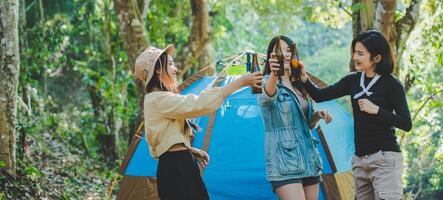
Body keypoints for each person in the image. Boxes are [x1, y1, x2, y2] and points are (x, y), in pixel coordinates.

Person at [134, 44, 263, 200]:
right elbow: (198, 104)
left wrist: (191, 150)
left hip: (181, 161)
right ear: (158, 70)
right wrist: (239, 82)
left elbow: (165, 135)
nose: (175, 68)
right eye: (170, 64)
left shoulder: (160, 98)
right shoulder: (157, 99)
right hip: (175, 167)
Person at [299, 30, 412, 199]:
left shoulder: (391, 83)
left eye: (360, 53)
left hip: (385, 159)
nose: (355, 57)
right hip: (360, 160)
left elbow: (406, 123)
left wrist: (377, 110)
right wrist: (304, 78)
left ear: (377, 58)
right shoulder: (352, 80)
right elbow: (319, 96)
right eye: (354, 53)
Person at [258, 36, 332, 200]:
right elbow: (266, 99)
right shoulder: (265, 82)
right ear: (271, 55)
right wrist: (275, 74)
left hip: (309, 157)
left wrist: (317, 116)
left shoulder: (300, 83)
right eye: (279, 49)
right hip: (284, 160)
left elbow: (305, 125)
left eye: (288, 50)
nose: (285, 54)